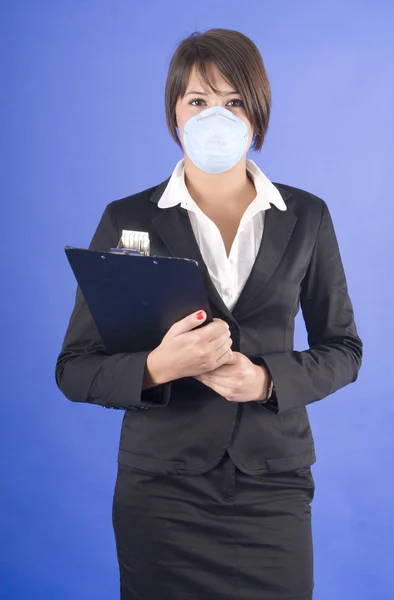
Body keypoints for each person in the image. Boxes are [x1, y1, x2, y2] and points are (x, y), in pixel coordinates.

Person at [55, 28, 363, 600]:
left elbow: (344, 349)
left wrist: (267, 378)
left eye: (233, 101)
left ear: (257, 115)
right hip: (161, 491)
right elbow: (74, 367)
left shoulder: (308, 216)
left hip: (274, 485)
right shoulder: (128, 219)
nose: (214, 117)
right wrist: (155, 367)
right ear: (175, 113)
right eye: (198, 100)